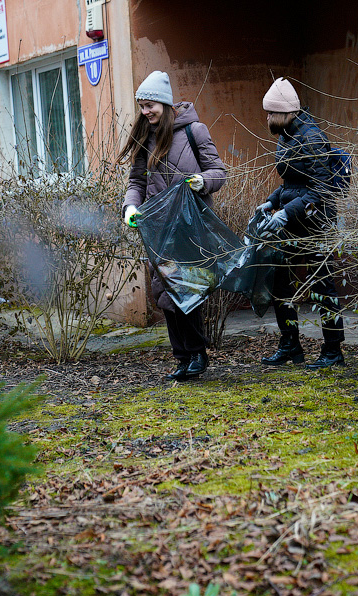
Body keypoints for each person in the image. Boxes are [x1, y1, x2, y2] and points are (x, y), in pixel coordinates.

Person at [118, 70, 227, 381]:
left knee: (186, 290)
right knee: (164, 293)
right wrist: (130, 206)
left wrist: (202, 181)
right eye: (141, 106)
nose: (145, 112)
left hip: (190, 226)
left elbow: (218, 171)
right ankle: (182, 358)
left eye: (150, 105)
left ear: (164, 104)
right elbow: (136, 182)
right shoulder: (144, 138)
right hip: (157, 228)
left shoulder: (195, 131)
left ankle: (197, 354)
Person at [257, 77, 346, 369]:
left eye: (271, 113)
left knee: (322, 286)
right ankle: (290, 345)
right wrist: (272, 202)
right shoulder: (286, 134)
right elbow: (291, 182)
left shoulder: (312, 138)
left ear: (285, 112)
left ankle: (333, 352)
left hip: (316, 221)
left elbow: (320, 189)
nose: (268, 118)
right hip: (293, 218)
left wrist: (284, 212)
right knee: (281, 283)